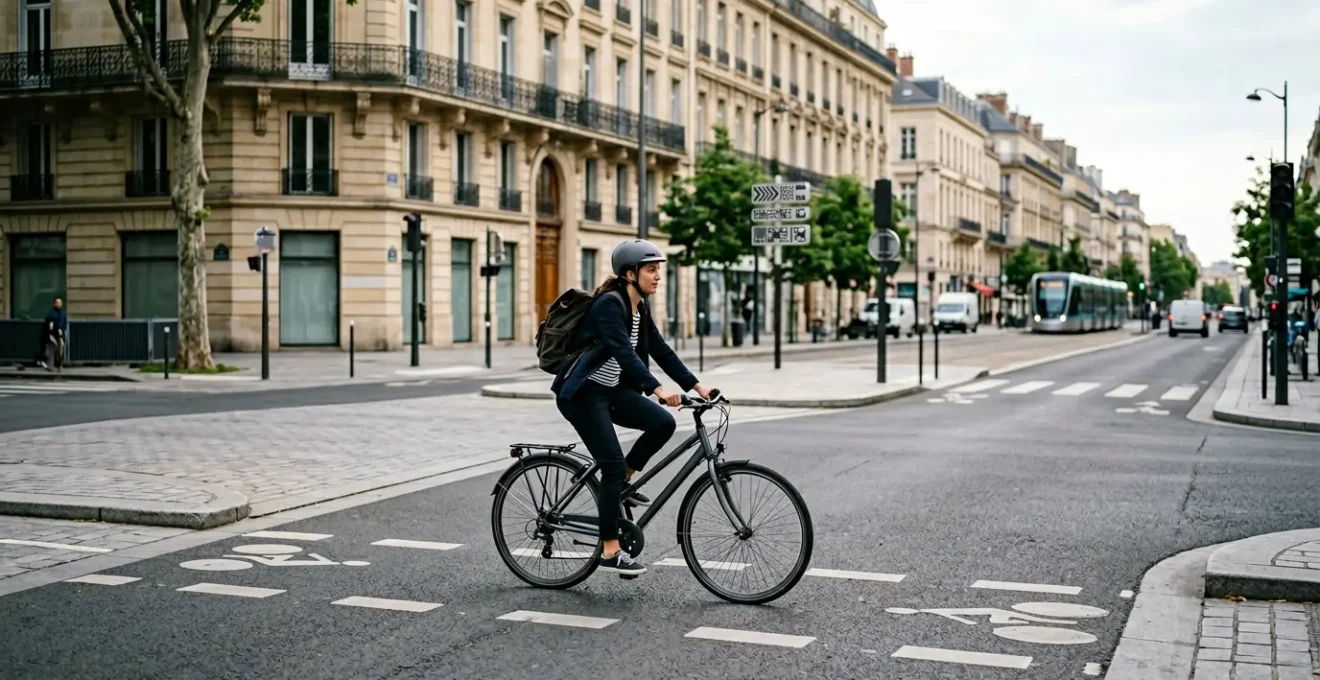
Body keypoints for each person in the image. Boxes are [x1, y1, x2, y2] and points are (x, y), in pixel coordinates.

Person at [551, 239, 714, 578]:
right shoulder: (609, 305)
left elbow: (660, 350)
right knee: (610, 466)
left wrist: (698, 386)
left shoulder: (640, 307)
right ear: (630, 274)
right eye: (651, 270)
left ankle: (624, 479)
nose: (658, 276)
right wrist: (657, 389)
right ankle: (610, 550)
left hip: (612, 391)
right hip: (583, 395)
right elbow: (623, 352)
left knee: (662, 423)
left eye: (658, 270)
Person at [37, 297, 67, 370]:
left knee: (60, 350)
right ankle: (52, 365)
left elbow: (64, 323)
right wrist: (57, 329)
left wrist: (61, 330)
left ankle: (58, 365)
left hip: (59, 334)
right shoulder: (51, 314)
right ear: (54, 304)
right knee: (52, 349)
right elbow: (49, 324)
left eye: (60, 303)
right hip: (53, 335)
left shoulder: (62, 314)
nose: (59, 304)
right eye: (57, 303)